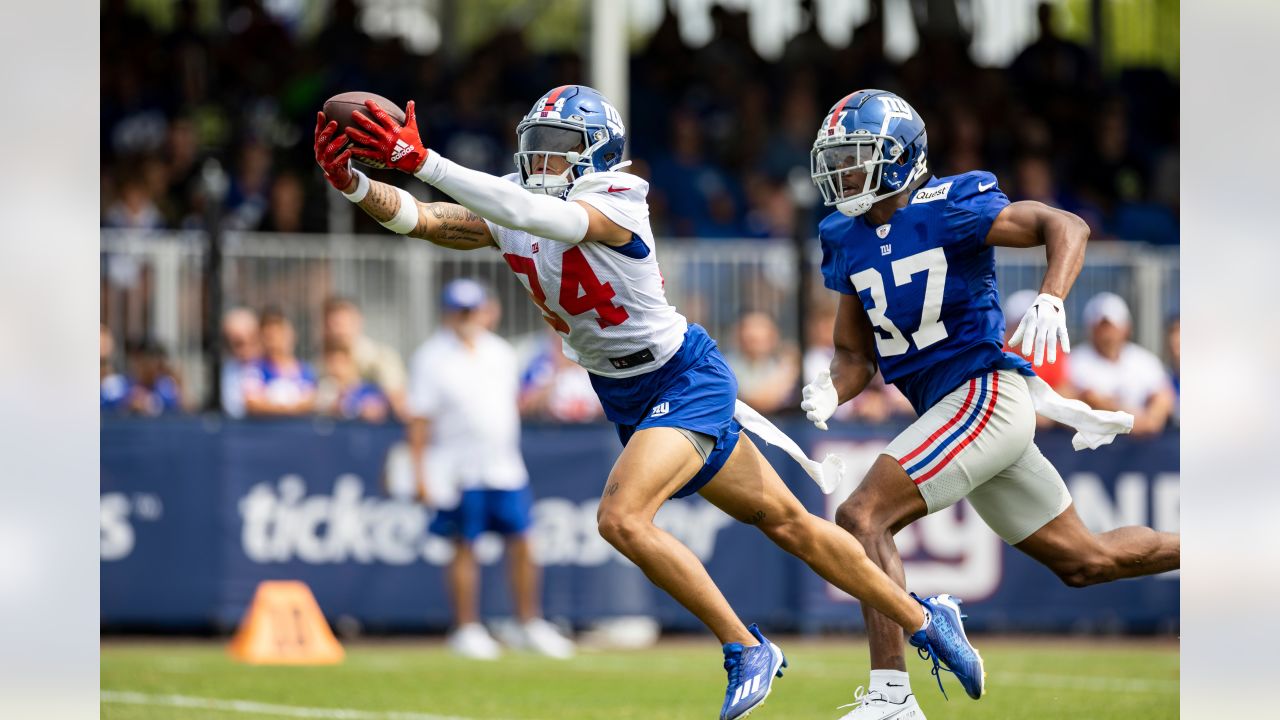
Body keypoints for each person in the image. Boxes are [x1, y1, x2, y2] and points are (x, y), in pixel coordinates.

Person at [314, 84, 984, 720]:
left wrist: (422, 159)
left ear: (597, 153)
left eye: (560, 144)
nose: (543, 158)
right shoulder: (516, 198)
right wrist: (358, 186)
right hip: (626, 390)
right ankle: (926, 620)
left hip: (681, 377)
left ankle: (745, 645)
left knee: (621, 517)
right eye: (537, 142)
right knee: (790, 523)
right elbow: (429, 220)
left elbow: (531, 215)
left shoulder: (618, 195)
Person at [800, 89, 1181, 720]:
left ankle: (894, 699)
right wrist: (828, 387)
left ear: (898, 160)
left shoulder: (949, 205)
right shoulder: (842, 234)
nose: (840, 174)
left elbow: (1067, 225)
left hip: (984, 396)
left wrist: (1051, 296)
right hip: (953, 410)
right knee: (1086, 560)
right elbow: (855, 356)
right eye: (836, 159)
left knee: (863, 516)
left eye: (855, 158)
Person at [405, 279, 574, 661]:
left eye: (472, 310)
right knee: (464, 546)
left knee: (524, 542)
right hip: (456, 468)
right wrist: (420, 474)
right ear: (447, 313)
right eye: (459, 311)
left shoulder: (500, 353)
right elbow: (418, 420)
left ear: (486, 310)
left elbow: (511, 405)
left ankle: (528, 623)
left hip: (505, 465)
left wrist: (551, 381)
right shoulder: (430, 357)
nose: (466, 318)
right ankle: (466, 628)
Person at [1067, 292, 1175, 436]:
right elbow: (1083, 400)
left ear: (1126, 328)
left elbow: (1162, 397)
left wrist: (1149, 420)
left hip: (1141, 448)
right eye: (1102, 327)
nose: (1108, 334)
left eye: (1112, 326)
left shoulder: (1145, 360)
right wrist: (1135, 421)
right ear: (1091, 329)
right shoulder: (1075, 361)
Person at [322, 296, 410, 419]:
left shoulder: (381, 358)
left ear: (358, 322)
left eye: (342, 324)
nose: (338, 331)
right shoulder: (322, 361)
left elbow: (398, 399)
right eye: (333, 325)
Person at [243, 308, 316, 417]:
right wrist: (287, 409)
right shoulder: (255, 369)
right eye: (269, 335)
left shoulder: (305, 369)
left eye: (279, 332)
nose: (275, 339)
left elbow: (311, 401)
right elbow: (252, 403)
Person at [316, 340, 390, 423]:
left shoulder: (368, 389)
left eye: (341, 362)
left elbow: (379, 411)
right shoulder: (324, 388)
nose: (336, 368)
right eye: (332, 363)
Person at [220, 307, 262, 418]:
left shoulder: (272, 365)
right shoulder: (227, 370)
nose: (246, 348)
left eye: (252, 339)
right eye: (238, 344)